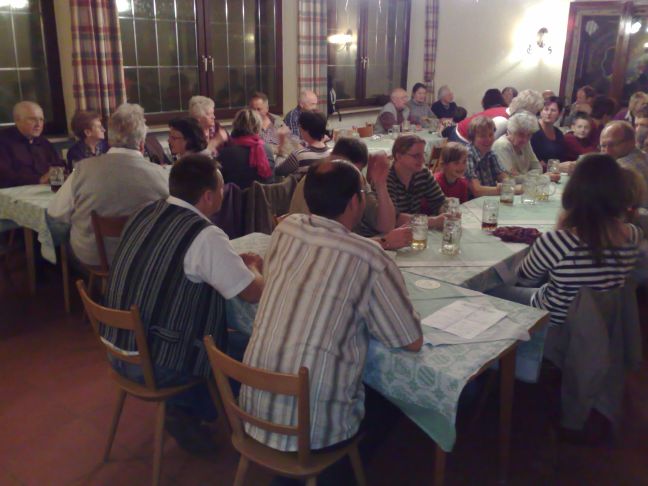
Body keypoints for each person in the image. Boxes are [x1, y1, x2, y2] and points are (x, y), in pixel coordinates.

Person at [240, 159, 422, 453]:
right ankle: (338, 472)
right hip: (315, 432)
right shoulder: (369, 258)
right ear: (355, 202)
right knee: (391, 399)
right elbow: (410, 341)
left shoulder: (287, 228)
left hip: (252, 412)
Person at [102, 154, 264, 452]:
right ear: (208, 196)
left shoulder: (144, 212)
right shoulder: (204, 235)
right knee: (254, 350)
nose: (224, 192)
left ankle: (187, 406)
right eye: (221, 188)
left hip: (117, 349)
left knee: (219, 335)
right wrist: (253, 266)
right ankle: (196, 408)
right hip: (156, 363)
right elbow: (252, 293)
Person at [487, 153, 642, 328]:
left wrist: (557, 231)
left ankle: (515, 350)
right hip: (603, 320)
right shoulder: (634, 235)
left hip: (557, 322)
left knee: (489, 291)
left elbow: (525, 277)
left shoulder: (559, 241)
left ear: (574, 189)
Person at [47, 103, 169, 267]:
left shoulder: (82, 170)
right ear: (142, 143)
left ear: (110, 141)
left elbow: (55, 212)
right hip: (146, 258)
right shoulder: (162, 176)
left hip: (94, 257)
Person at [289, 138, 411, 249]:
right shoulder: (318, 183)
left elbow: (385, 226)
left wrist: (380, 185)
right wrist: (383, 242)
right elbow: (326, 245)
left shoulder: (354, 177)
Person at [387, 134, 446, 229]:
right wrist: (433, 221)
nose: (422, 160)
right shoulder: (387, 178)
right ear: (399, 156)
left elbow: (439, 201)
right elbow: (393, 219)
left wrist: (445, 213)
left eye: (423, 154)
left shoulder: (423, 173)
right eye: (416, 156)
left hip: (414, 230)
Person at [0, 101, 64, 188]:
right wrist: (39, 179)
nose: (38, 124)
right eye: (32, 119)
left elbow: (58, 165)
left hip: (46, 190)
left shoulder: (44, 142)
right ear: (17, 120)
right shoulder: (3, 142)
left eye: (41, 119)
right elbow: (5, 176)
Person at [453, 89, 544, 143]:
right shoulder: (503, 121)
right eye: (534, 112)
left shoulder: (507, 112)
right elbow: (488, 147)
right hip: (461, 138)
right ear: (526, 110)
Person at [217, 108, 275, 189]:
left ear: (235, 125)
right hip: (266, 199)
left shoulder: (225, 153)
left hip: (237, 200)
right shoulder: (267, 148)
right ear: (258, 127)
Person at [274, 111, 331, 177]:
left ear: (306, 130)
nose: (299, 129)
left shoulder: (299, 155)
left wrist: (281, 144)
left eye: (300, 126)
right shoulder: (332, 153)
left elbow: (278, 172)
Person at [465, 116, 508, 197]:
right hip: (473, 204)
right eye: (482, 136)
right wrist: (503, 189)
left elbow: (505, 180)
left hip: (490, 200)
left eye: (491, 135)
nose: (488, 139)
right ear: (472, 138)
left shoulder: (491, 153)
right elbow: (476, 191)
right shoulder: (467, 154)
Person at [492, 111, 543, 178]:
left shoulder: (526, 142)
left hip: (527, 185)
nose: (525, 139)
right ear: (510, 131)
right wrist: (532, 175)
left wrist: (523, 176)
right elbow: (511, 177)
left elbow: (538, 168)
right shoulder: (502, 146)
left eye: (529, 135)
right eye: (521, 134)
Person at [601, 121, 648, 191]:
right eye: (603, 146)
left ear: (632, 142)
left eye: (613, 145)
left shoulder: (621, 168)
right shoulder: (644, 156)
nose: (607, 151)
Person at [531, 96, 566, 163]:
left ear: (560, 114)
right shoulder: (533, 130)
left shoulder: (559, 134)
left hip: (556, 171)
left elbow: (561, 157)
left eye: (553, 110)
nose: (549, 113)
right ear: (541, 111)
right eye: (546, 109)